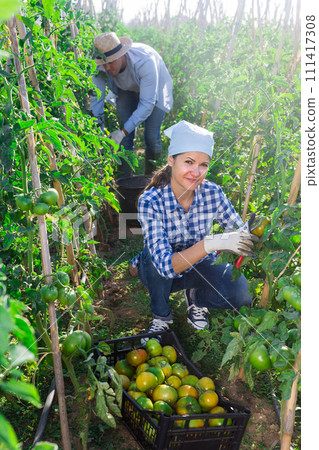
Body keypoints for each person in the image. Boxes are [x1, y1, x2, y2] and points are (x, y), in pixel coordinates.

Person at [130, 120, 259, 338]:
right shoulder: (151, 201)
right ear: (171, 160)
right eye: (188, 162)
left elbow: (237, 228)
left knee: (241, 294)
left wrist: (252, 231)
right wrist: (212, 243)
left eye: (203, 165)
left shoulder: (212, 193)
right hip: (159, 269)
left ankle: (196, 298)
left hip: (198, 263)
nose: (196, 171)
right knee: (153, 260)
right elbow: (164, 266)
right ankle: (161, 317)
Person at [90, 31, 173, 176]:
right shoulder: (100, 67)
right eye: (104, 64)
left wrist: (122, 132)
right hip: (126, 88)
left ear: (121, 55)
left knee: (151, 136)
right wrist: (99, 135)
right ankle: (125, 181)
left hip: (156, 89)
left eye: (111, 62)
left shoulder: (145, 61)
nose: (107, 68)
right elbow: (96, 101)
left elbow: (147, 104)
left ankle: (153, 178)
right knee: (125, 137)